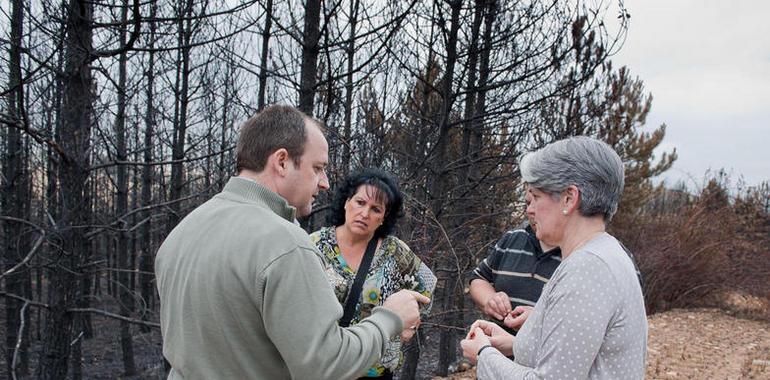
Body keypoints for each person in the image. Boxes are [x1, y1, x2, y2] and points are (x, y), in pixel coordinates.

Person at [155, 105, 430, 380]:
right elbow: (326, 365)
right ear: (282, 162)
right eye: (318, 168)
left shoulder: (183, 231)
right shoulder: (285, 244)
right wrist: (389, 319)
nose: (324, 183)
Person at [461, 136, 648, 379]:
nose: (530, 208)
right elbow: (573, 358)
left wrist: (484, 354)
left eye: (537, 196)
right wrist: (511, 343)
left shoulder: (588, 269)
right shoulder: (606, 253)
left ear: (569, 199)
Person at [310, 168, 437, 379]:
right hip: (325, 368)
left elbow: (428, 287)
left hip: (375, 371)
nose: (365, 214)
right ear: (346, 202)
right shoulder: (314, 246)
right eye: (360, 203)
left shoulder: (394, 251)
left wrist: (409, 325)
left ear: (384, 217)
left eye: (375, 209)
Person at [468, 218, 561, 332]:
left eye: (537, 200)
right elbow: (479, 277)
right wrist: (489, 299)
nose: (530, 209)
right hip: (492, 347)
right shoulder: (513, 237)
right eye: (528, 202)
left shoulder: (579, 255)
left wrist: (538, 322)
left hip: (545, 349)